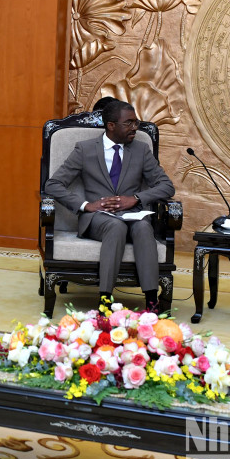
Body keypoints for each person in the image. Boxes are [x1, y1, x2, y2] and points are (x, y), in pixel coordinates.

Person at [45, 100, 174, 309]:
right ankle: (105, 299)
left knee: (143, 227)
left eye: (136, 122)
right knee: (115, 226)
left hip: (132, 214)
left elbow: (167, 186)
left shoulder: (140, 150)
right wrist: (86, 205)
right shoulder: (85, 150)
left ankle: (151, 299)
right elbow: (53, 184)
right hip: (98, 219)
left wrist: (136, 199)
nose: (134, 128)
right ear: (111, 125)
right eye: (129, 123)